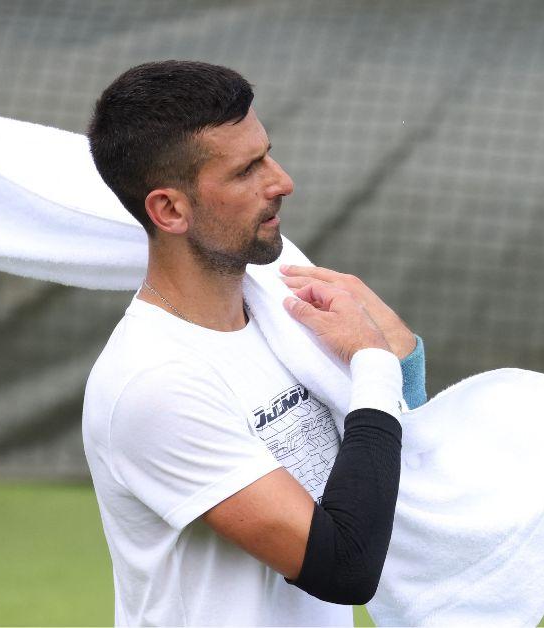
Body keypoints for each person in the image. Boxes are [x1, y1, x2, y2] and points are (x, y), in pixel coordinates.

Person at [81, 60, 426, 626]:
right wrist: (373, 364)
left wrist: (402, 358)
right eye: (247, 171)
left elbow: (387, 472)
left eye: (267, 152)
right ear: (169, 209)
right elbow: (345, 567)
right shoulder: (155, 383)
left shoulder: (280, 308)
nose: (281, 181)